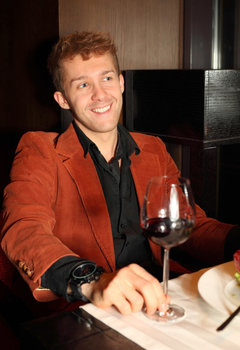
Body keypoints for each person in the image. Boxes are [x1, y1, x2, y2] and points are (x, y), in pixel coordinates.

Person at [1, 31, 239, 318]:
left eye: (107, 78)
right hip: (85, 310)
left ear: (122, 82)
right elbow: (23, 229)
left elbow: (192, 226)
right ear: (63, 99)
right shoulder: (40, 150)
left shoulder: (153, 148)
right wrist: (92, 280)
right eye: (83, 84)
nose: (100, 94)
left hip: (162, 295)